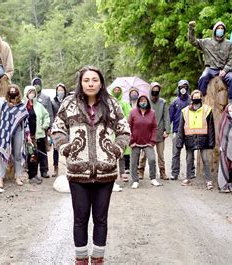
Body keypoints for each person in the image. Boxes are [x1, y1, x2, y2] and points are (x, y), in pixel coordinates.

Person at [51, 66, 130, 264]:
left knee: (101, 218)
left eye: (94, 80)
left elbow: (124, 130)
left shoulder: (111, 104)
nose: (90, 83)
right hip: (78, 172)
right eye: (86, 80)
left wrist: (116, 150)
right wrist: (65, 148)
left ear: (101, 82)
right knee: (80, 217)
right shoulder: (69, 103)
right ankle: (80, 259)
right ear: (80, 82)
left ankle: (97, 258)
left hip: (106, 172)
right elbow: (57, 129)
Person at [188, 21, 232, 104]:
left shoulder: (229, 44)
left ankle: (230, 102)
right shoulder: (206, 42)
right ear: (214, 30)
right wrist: (191, 29)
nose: (220, 30)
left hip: (223, 69)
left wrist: (225, 70)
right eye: (218, 28)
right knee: (203, 78)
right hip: (210, 68)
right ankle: (200, 100)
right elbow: (193, 41)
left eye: (222, 29)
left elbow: (231, 60)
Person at [176, 90, 215, 190]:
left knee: (205, 159)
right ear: (191, 98)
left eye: (198, 96)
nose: (196, 98)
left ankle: (208, 180)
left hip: (203, 139)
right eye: (195, 96)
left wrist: (211, 142)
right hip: (189, 138)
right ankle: (188, 178)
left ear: (201, 98)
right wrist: (179, 142)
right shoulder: (185, 111)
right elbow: (180, 128)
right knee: (189, 159)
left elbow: (211, 127)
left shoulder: (207, 110)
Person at [0, 84, 30, 187]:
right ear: (8, 93)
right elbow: (3, 121)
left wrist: (28, 135)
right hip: (6, 132)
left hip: (18, 131)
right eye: (10, 91)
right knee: (4, 154)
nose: (12, 93)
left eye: (14, 91)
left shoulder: (22, 105)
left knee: (17, 155)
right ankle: (0, 178)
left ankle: (18, 177)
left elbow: (25, 122)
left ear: (18, 93)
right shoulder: (4, 105)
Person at [138, 82, 170, 180]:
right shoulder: (146, 102)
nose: (155, 92)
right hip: (147, 132)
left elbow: (166, 117)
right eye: (154, 90)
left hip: (160, 131)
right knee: (144, 154)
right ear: (150, 90)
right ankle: (141, 171)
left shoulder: (163, 102)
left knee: (160, 154)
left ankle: (162, 172)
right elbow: (141, 115)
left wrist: (167, 130)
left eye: (157, 90)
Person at [129, 95, 162, 188]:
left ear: (148, 102)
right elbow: (129, 127)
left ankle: (153, 178)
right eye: (141, 100)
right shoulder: (133, 112)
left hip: (148, 142)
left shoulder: (152, 113)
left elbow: (155, 127)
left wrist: (152, 141)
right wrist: (131, 141)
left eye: (145, 100)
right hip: (135, 142)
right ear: (138, 101)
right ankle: (135, 180)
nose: (143, 102)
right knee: (134, 161)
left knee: (152, 159)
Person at [23, 85, 50, 184]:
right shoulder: (23, 106)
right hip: (29, 135)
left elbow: (46, 115)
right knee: (32, 155)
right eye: (30, 92)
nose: (32, 94)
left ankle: (40, 172)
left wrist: (45, 124)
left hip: (39, 134)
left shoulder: (39, 105)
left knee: (40, 153)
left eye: (33, 92)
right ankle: (31, 175)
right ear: (26, 93)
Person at [168, 80, 194, 180]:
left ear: (188, 88)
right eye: (181, 87)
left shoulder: (191, 101)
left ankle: (191, 172)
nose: (183, 89)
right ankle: (174, 173)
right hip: (176, 131)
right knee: (175, 153)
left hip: (190, 131)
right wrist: (166, 130)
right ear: (178, 88)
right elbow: (170, 117)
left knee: (190, 153)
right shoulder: (174, 102)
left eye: (185, 86)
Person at [31, 77, 53, 178]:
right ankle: (33, 172)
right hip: (31, 132)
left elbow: (49, 114)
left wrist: (48, 127)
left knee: (43, 150)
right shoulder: (29, 99)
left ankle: (44, 170)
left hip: (42, 131)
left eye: (38, 84)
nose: (37, 86)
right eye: (35, 84)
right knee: (32, 152)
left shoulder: (46, 98)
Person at [110, 86, 132, 181]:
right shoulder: (109, 103)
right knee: (111, 152)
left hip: (121, 129)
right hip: (111, 130)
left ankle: (122, 172)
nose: (117, 91)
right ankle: (112, 172)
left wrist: (125, 119)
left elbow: (130, 114)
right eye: (115, 90)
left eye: (118, 90)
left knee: (122, 151)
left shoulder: (125, 103)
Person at [50, 83, 68, 177]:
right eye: (58, 90)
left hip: (67, 127)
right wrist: (52, 127)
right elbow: (51, 114)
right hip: (57, 127)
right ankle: (55, 168)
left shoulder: (68, 101)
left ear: (65, 91)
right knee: (56, 149)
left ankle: (69, 167)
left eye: (62, 90)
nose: (60, 91)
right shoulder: (53, 101)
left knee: (68, 147)